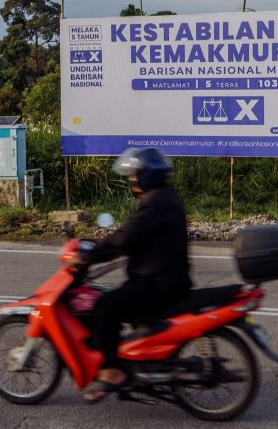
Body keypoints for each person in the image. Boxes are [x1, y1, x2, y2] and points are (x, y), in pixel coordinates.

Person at [75, 147, 192, 403]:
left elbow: (126, 237)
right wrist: (102, 243)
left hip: (157, 284)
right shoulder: (163, 198)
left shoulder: (155, 204)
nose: (131, 179)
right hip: (166, 279)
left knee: (105, 306)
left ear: (147, 175)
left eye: (134, 174)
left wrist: (90, 255)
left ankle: (112, 372)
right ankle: (137, 359)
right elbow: (132, 234)